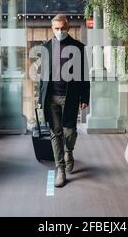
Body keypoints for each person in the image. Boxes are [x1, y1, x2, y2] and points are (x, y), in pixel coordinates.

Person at [38, 14, 90, 187]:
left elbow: (84, 75)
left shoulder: (79, 48)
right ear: (52, 28)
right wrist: (40, 99)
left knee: (70, 132)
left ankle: (69, 151)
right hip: (51, 98)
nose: (59, 31)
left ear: (68, 28)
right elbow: (42, 77)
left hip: (71, 97)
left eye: (62, 28)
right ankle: (60, 169)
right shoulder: (46, 48)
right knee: (55, 133)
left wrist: (85, 97)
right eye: (56, 28)